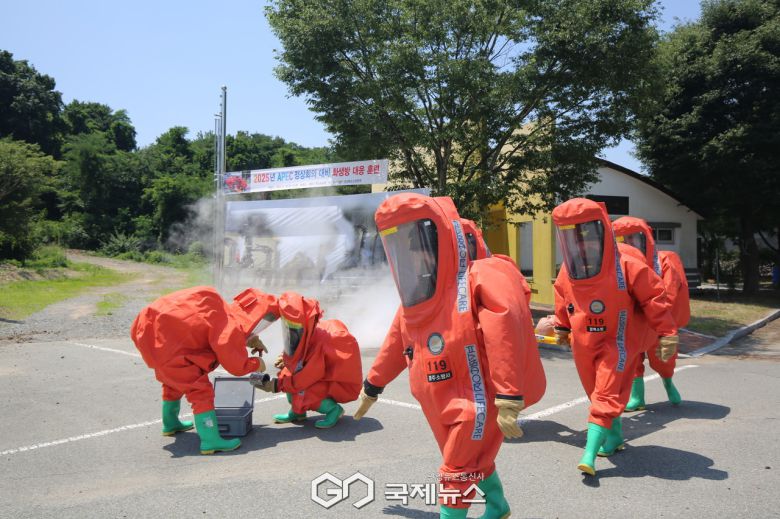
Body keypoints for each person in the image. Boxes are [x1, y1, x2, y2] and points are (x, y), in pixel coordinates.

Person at [353, 193, 545, 518]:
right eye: (403, 250)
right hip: (436, 401)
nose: (413, 260)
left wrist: (510, 396)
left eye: (418, 251)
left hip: (472, 404)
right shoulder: (415, 302)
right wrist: (372, 386)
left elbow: (504, 335)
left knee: (455, 470)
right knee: (471, 463)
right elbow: (394, 347)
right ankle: (497, 507)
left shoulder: (475, 283)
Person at [551, 199, 679, 476]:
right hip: (584, 342)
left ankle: (589, 453)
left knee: (606, 393)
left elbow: (654, 298)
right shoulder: (569, 268)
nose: (581, 242)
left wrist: (667, 332)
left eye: (585, 233)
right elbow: (562, 295)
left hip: (618, 341)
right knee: (595, 391)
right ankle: (615, 437)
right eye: (573, 234)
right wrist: (562, 326)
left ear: (600, 230)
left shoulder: (627, 264)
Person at [130, 286, 276, 454]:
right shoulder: (227, 323)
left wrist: (248, 339)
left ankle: (170, 423)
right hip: (176, 355)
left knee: (172, 385)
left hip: (156, 344)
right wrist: (256, 363)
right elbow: (235, 365)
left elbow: (208, 328)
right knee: (200, 393)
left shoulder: (215, 303)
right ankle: (210, 440)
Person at [250, 291, 362, 429]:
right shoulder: (306, 333)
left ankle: (333, 410)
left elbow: (305, 378)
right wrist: (285, 358)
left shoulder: (319, 344)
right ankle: (298, 412)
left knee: (305, 390)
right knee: (286, 374)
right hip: (320, 375)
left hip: (331, 381)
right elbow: (298, 347)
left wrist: (276, 386)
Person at [612, 216, 691, 410]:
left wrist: (654, 315)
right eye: (623, 240)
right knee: (632, 359)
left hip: (655, 319)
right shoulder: (621, 264)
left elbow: (669, 295)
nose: (630, 244)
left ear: (645, 238)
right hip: (633, 320)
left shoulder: (663, 262)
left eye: (634, 239)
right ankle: (638, 397)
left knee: (663, 357)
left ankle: (668, 381)